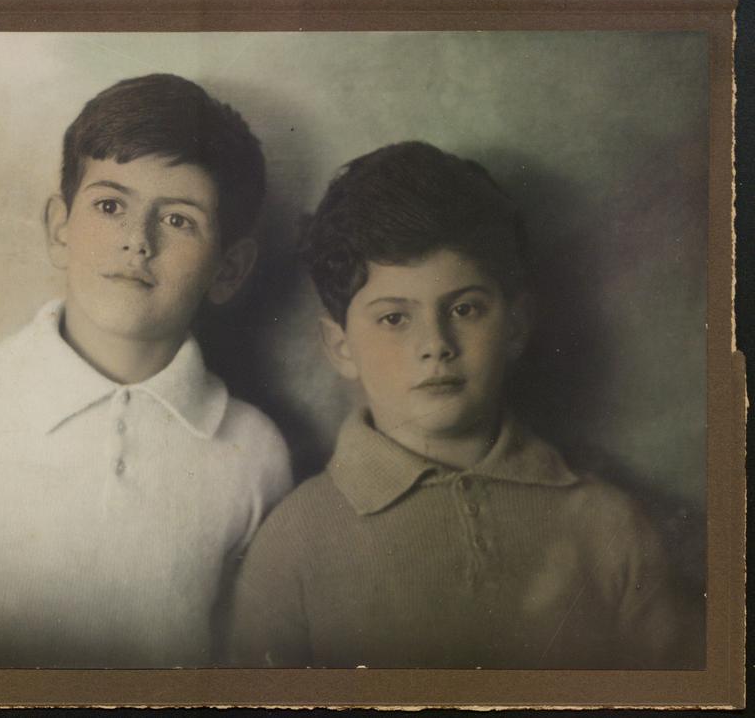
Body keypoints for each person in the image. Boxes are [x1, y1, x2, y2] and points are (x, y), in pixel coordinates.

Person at [0, 73, 292, 668]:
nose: (137, 242)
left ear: (229, 269)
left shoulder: (255, 452)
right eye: (110, 206)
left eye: (178, 220)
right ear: (59, 228)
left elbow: (242, 669)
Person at [226, 141, 680, 669]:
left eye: (465, 309)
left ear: (516, 326)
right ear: (341, 346)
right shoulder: (294, 544)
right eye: (395, 318)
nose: (435, 345)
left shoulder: (613, 528)